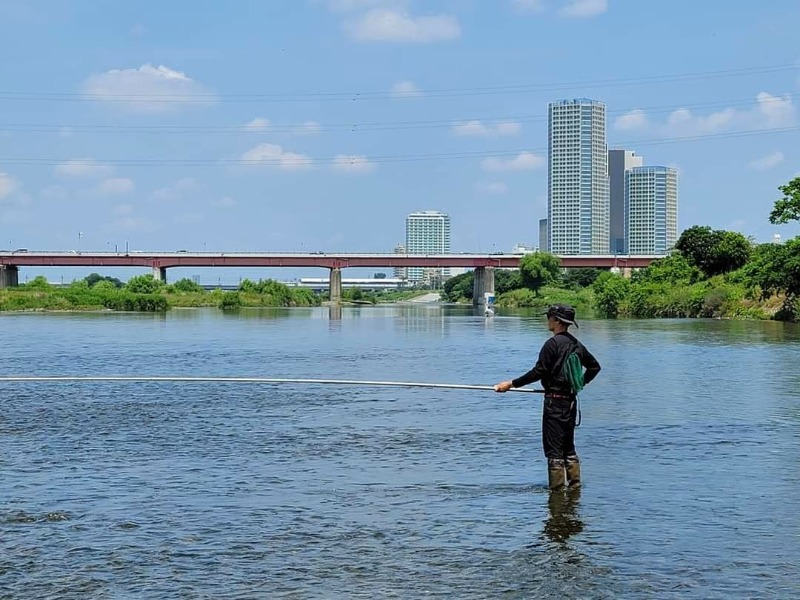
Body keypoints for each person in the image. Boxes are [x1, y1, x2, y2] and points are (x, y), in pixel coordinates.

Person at [494, 304, 601, 490]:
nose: (548, 321)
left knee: (554, 451)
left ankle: (557, 494)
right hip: (570, 403)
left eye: (549, 317)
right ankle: (575, 489)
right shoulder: (576, 344)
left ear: (557, 321)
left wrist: (510, 384)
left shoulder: (552, 344)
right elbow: (594, 367)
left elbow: (538, 372)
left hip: (554, 402)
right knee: (568, 447)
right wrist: (579, 384)